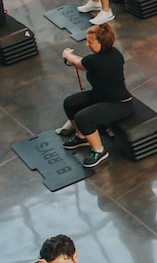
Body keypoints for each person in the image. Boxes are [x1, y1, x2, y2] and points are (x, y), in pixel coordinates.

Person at [57, 22, 133, 169]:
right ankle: (82, 137)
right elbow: (84, 63)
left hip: (119, 104)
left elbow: (78, 62)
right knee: (70, 103)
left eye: (90, 42)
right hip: (100, 95)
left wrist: (67, 55)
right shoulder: (113, 53)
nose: (87, 44)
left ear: (101, 43)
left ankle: (99, 151)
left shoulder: (95, 60)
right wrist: (72, 58)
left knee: (83, 118)